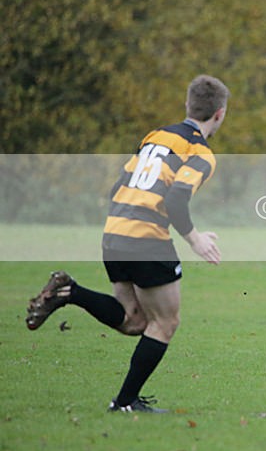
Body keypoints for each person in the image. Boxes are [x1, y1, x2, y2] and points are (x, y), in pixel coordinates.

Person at [25, 75, 230, 413]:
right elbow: (176, 200)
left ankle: (68, 292)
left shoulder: (156, 136)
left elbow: (119, 185)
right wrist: (195, 239)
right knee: (165, 322)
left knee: (133, 320)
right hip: (146, 238)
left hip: (114, 230)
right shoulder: (201, 153)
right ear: (219, 114)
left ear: (187, 105)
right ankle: (125, 402)